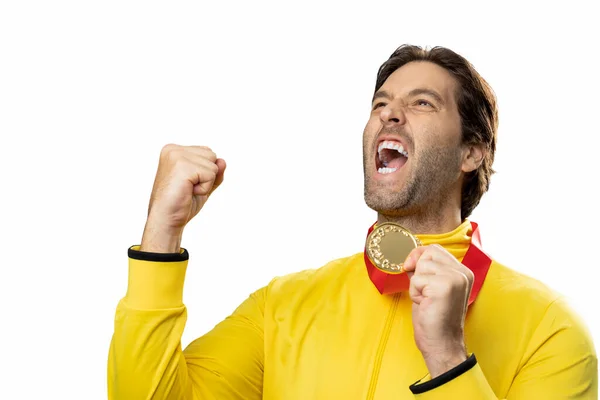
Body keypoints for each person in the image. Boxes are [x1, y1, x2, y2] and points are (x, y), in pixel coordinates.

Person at [107, 44, 597, 399]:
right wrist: (160, 237)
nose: (390, 116)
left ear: (472, 152)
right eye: (379, 104)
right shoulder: (282, 307)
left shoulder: (551, 330)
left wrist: (449, 359)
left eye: (422, 103)